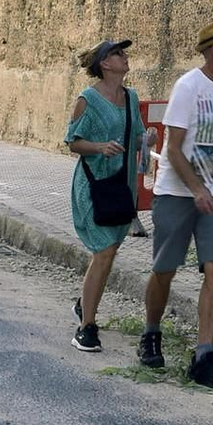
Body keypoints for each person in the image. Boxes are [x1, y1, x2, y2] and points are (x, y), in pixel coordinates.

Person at [140, 19, 213, 389]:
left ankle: (203, 356)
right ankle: (151, 332)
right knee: (165, 269)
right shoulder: (188, 87)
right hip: (176, 192)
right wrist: (196, 188)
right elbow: (172, 148)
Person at [65, 38, 146, 352]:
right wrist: (99, 147)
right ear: (104, 65)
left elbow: (137, 136)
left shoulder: (131, 96)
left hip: (122, 188)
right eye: (117, 53)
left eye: (124, 52)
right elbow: (72, 141)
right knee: (105, 252)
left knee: (108, 253)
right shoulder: (87, 99)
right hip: (94, 186)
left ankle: (85, 300)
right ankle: (86, 327)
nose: (125, 57)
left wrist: (147, 138)